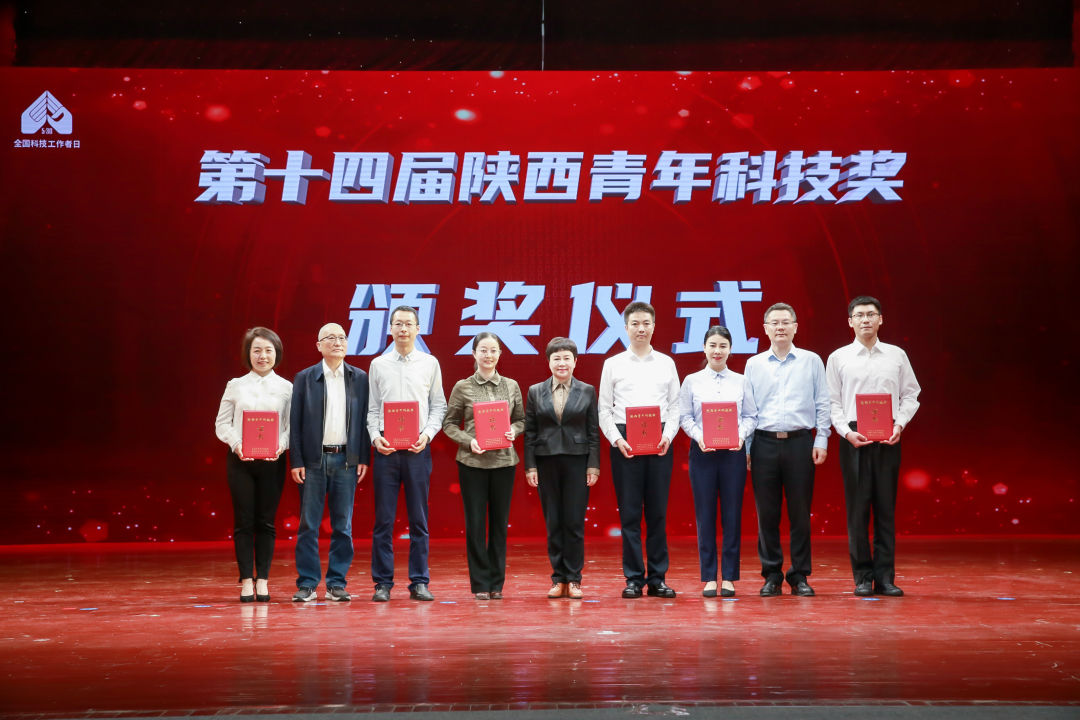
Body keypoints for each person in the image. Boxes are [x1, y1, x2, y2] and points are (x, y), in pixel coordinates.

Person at [826, 296, 921, 597]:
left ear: (881, 319)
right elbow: (832, 402)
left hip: (888, 434)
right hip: (853, 436)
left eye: (871, 314)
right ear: (850, 321)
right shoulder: (838, 357)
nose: (865, 320)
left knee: (885, 509)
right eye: (859, 315)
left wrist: (899, 425)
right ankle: (862, 578)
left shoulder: (896, 355)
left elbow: (911, 394)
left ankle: (885, 577)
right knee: (857, 510)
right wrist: (846, 432)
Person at [743, 303, 830, 597]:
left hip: (800, 442)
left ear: (795, 326)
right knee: (767, 514)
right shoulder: (754, 364)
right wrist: (748, 447)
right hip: (763, 442)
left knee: (800, 513)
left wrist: (821, 439)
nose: (780, 327)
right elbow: (748, 409)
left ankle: (799, 575)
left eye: (785, 322)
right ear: (765, 328)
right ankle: (771, 574)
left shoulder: (811, 361)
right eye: (774, 323)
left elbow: (823, 402)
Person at [598, 301, 681, 599]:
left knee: (657, 514)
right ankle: (633, 578)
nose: (641, 329)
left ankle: (658, 578)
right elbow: (604, 409)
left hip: (659, 441)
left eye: (646, 323)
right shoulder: (613, 363)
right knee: (630, 515)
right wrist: (616, 440)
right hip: (625, 442)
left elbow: (675, 406)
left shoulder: (666, 363)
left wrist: (668, 435)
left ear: (654, 326)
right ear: (626, 327)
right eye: (635, 324)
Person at [367, 305, 447, 602]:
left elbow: (439, 405)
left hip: (417, 451)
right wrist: (375, 437)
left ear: (417, 329)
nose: (403, 329)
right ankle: (382, 583)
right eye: (398, 324)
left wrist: (427, 435)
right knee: (384, 521)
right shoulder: (378, 364)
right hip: (386, 451)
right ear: (390, 328)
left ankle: (419, 581)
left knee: (419, 520)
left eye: (408, 324)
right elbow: (372, 409)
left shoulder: (430, 363)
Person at [289, 322, 370, 602]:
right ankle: (307, 583)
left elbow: (365, 420)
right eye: (330, 338)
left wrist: (362, 457)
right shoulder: (305, 378)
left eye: (342, 338)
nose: (337, 342)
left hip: (346, 460)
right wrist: (296, 460)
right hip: (313, 461)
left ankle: (336, 583)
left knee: (342, 526)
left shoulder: (359, 378)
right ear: (319, 345)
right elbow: (295, 422)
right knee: (308, 525)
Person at [442, 332, 525, 600]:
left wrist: (514, 430)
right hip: (472, 464)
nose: (488, 355)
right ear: (474, 353)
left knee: (499, 525)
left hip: (504, 463)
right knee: (476, 524)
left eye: (493, 350)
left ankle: (496, 583)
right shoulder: (462, 387)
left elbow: (522, 420)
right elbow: (449, 424)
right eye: (483, 350)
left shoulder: (511, 385)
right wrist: (469, 441)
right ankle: (480, 583)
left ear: (500, 354)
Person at [214, 327, 292, 602]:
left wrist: (280, 446)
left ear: (276, 353)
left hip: (273, 462)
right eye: (256, 350)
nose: (262, 356)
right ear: (248, 354)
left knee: (266, 522)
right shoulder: (235, 385)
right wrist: (237, 444)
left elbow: (290, 427)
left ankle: (264, 580)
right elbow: (222, 423)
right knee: (244, 521)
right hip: (240, 462)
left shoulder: (287, 388)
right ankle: (246, 579)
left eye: (268, 350)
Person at [524, 337, 600, 599]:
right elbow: (530, 432)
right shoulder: (535, 391)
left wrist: (593, 465)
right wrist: (530, 466)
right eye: (556, 358)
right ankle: (558, 578)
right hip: (546, 461)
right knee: (554, 521)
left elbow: (593, 432)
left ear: (575, 362)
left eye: (567, 358)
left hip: (577, 461)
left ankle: (574, 579)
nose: (562, 363)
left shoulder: (587, 390)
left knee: (574, 522)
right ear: (548, 362)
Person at [678, 326, 751, 598]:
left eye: (723, 346)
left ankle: (729, 576)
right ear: (704, 348)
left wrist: (740, 436)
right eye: (713, 345)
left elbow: (751, 416)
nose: (717, 351)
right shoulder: (692, 381)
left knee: (732, 515)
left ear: (730, 349)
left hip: (733, 453)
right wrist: (700, 437)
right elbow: (684, 416)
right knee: (705, 515)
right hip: (703, 454)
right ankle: (709, 577)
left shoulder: (742, 381)